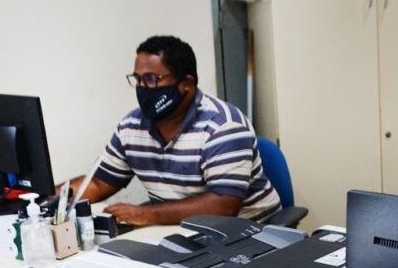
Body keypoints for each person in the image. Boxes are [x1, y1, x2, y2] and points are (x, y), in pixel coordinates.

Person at [70, 35, 280, 225]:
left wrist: (144, 214)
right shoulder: (132, 127)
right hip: (178, 233)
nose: (142, 88)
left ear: (186, 83)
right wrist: (50, 198)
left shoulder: (223, 125)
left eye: (151, 79)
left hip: (249, 234)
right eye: (137, 79)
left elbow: (223, 206)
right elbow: (98, 183)